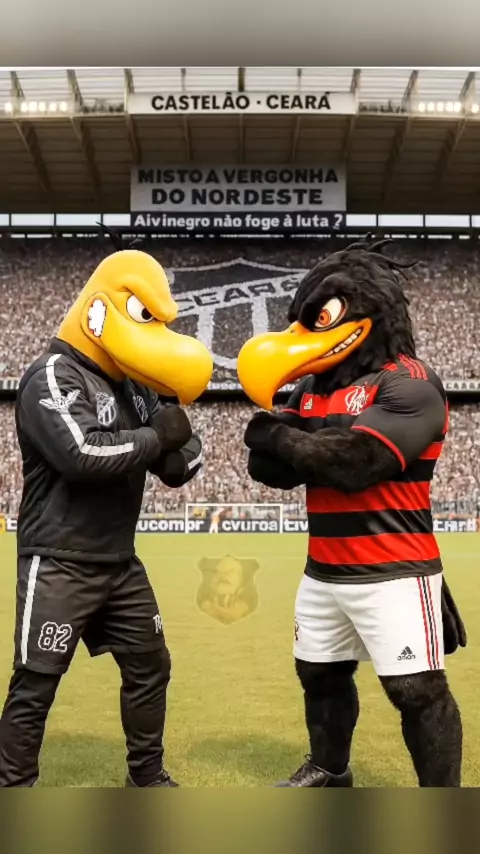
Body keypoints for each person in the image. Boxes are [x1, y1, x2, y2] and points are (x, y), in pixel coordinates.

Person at [239, 237, 467, 787]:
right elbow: (267, 469)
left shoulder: (409, 382)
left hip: (394, 570)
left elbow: (358, 462)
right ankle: (329, 769)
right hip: (324, 571)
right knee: (318, 674)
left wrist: (281, 435)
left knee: (416, 690)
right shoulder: (314, 386)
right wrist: (290, 444)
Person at [0, 241, 213, 787]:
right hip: (59, 560)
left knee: (151, 665)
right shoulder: (51, 375)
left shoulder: (136, 386)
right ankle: (14, 787)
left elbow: (182, 451)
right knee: (36, 681)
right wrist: (155, 439)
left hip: (119, 562)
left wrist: (177, 450)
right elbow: (81, 454)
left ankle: (146, 776)